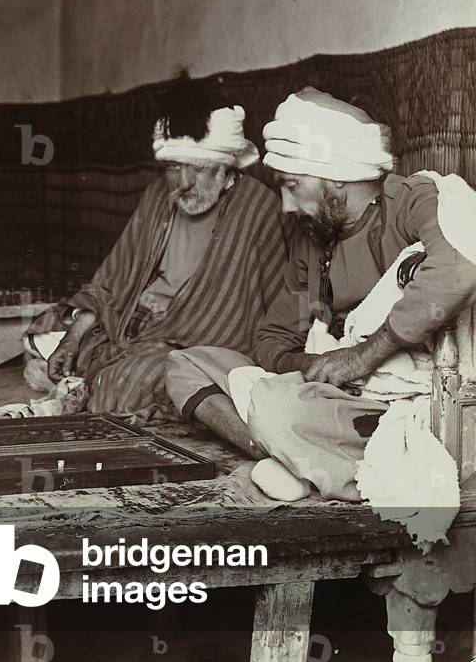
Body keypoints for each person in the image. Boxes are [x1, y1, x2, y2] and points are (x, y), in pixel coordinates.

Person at [167, 88, 476, 501]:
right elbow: (273, 338)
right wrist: (313, 365)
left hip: (396, 406)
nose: (286, 205)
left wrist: (360, 357)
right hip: (332, 398)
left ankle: (299, 457)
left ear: (337, 178)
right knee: (186, 364)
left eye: (293, 185)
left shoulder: (413, 201)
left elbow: (460, 265)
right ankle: (298, 456)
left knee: (280, 412)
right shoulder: (314, 240)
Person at [24, 82, 285, 417]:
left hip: (194, 342)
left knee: (137, 380)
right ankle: (85, 381)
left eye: (199, 168)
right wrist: (72, 339)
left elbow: (255, 315)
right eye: (175, 167)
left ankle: (87, 385)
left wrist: (173, 328)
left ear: (226, 166)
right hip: (133, 326)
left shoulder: (258, 208)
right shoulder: (158, 196)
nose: (185, 182)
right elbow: (114, 277)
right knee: (44, 335)